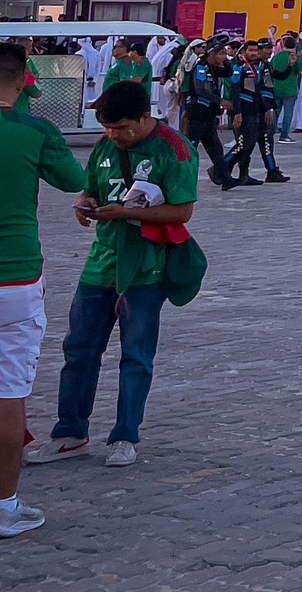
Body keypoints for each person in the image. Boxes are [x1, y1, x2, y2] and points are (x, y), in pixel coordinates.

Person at [24, 81, 197, 471]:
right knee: (79, 350)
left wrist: (126, 213)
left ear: (142, 117)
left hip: (145, 269)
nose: (113, 135)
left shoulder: (173, 148)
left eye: (121, 128)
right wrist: (85, 203)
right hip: (99, 265)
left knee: (136, 356)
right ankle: (70, 431)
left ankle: (125, 435)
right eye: (106, 127)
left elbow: (182, 210)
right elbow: (90, 190)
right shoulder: (105, 147)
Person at [0, 43, 88, 535]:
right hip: (14, 280)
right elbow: (74, 178)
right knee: (8, 397)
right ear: (22, 82)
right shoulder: (34, 130)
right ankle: (4, 506)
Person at [227, 39, 286, 185]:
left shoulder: (262, 66)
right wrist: (237, 112)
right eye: (266, 49)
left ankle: (270, 171)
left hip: (258, 110)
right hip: (245, 111)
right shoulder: (240, 66)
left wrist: (267, 107)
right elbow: (235, 91)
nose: (269, 51)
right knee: (244, 144)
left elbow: (268, 85)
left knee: (263, 141)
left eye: (270, 48)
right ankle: (222, 169)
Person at [179, 44, 235, 190]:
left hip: (209, 114)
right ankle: (181, 178)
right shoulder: (201, 67)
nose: (224, 57)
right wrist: (220, 101)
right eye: (221, 54)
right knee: (191, 147)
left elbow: (228, 73)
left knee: (215, 148)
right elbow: (200, 89)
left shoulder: (214, 67)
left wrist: (225, 61)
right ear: (211, 54)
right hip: (198, 112)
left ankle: (224, 178)